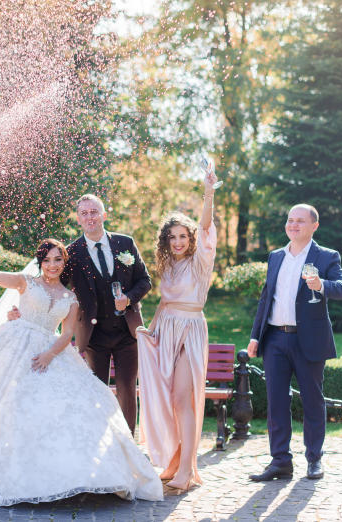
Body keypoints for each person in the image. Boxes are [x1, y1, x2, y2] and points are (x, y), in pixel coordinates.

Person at [0, 226, 163, 506]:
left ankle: (77, 475)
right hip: (15, 345)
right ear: (40, 262)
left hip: (51, 352)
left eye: (58, 260)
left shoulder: (71, 298)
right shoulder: (25, 282)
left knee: (80, 404)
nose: (52, 265)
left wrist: (49, 355)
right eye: (47, 260)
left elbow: (67, 334)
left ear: (65, 264)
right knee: (5, 405)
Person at [247, 204, 342, 482]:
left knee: (313, 401)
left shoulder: (326, 256)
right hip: (275, 339)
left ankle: (314, 459)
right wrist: (255, 337)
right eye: (290, 220)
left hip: (309, 340)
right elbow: (265, 299)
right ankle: (280, 461)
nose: (293, 225)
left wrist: (321, 285)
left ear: (314, 226)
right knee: (276, 403)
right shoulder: (276, 256)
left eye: (300, 221)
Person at [136, 166, 218, 494]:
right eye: (172, 237)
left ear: (192, 238)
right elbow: (163, 301)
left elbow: (207, 224)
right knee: (170, 399)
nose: (178, 241)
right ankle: (174, 461)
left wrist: (208, 192)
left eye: (183, 236)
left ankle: (188, 470)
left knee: (184, 399)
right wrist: (150, 331)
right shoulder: (168, 264)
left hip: (190, 331)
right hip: (166, 329)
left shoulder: (201, 260)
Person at [61, 194, 151, 434]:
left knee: (127, 389)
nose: (90, 217)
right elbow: (58, 291)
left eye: (94, 212)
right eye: (84, 213)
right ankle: (98, 444)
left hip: (127, 332)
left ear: (104, 214)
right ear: (78, 218)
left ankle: (128, 444)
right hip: (93, 335)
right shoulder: (71, 253)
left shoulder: (125, 243)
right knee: (97, 390)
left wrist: (128, 298)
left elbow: (145, 281)